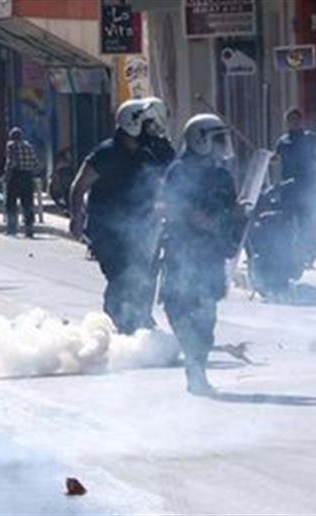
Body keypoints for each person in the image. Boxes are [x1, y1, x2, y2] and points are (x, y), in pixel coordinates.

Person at [160, 114, 246, 394]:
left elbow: (232, 210)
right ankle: (193, 363)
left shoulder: (222, 175)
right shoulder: (179, 172)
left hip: (211, 255)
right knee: (179, 308)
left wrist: (239, 219)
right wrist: (203, 222)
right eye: (217, 139)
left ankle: (197, 368)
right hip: (183, 251)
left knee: (206, 316)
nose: (222, 145)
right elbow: (175, 207)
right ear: (201, 140)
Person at [69, 99, 160, 335]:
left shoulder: (146, 156)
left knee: (142, 277)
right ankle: (114, 326)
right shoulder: (106, 153)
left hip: (138, 230)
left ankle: (135, 323)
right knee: (122, 277)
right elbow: (79, 186)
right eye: (146, 124)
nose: (150, 129)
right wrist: (76, 218)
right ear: (132, 124)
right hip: (106, 230)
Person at [273, 108, 316, 264]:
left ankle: (308, 254)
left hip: (306, 187)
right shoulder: (283, 142)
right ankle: (290, 254)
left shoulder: (309, 138)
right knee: (287, 222)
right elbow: (275, 158)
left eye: (296, 120)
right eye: (290, 121)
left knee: (305, 223)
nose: (293, 123)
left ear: (301, 121)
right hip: (289, 188)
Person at [0, 127, 41, 238]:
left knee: (11, 203)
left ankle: (12, 228)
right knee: (27, 203)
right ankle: (29, 229)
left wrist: (6, 177)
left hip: (16, 175)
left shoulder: (11, 145)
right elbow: (36, 163)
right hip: (28, 176)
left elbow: (10, 162)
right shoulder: (28, 145)